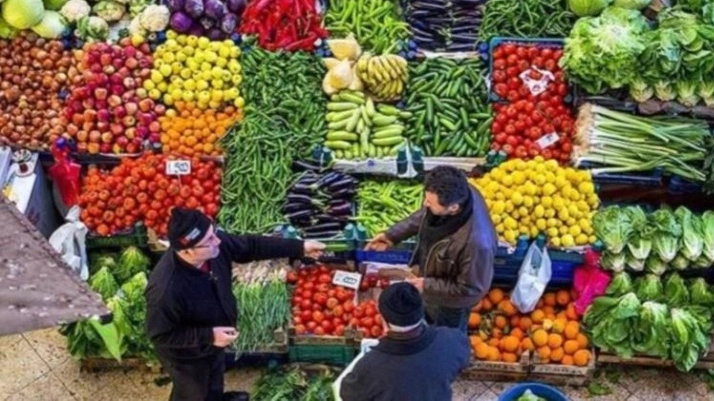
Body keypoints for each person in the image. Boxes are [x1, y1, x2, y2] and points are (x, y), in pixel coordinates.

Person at [145, 208, 325, 401]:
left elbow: (251, 246)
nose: (218, 241)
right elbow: (160, 335)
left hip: (213, 341)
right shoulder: (165, 290)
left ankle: (217, 396)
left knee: (214, 378)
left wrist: (300, 247)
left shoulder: (212, 247)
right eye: (209, 241)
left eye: (214, 233)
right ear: (187, 251)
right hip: (188, 355)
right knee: (194, 391)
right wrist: (209, 335)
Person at [366, 165, 496, 332]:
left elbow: (471, 290)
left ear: (453, 208)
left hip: (450, 304)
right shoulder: (461, 191)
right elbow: (426, 214)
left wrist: (427, 285)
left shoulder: (476, 244)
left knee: (445, 335)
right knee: (427, 318)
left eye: (430, 202)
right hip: (434, 278)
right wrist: (392, 235)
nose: (425, 203)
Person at [339, 283, 470, 401]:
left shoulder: (370, 366)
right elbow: (461, 362)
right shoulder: (452, 340)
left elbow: (347, 394)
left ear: (384, 319)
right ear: (421, 311)